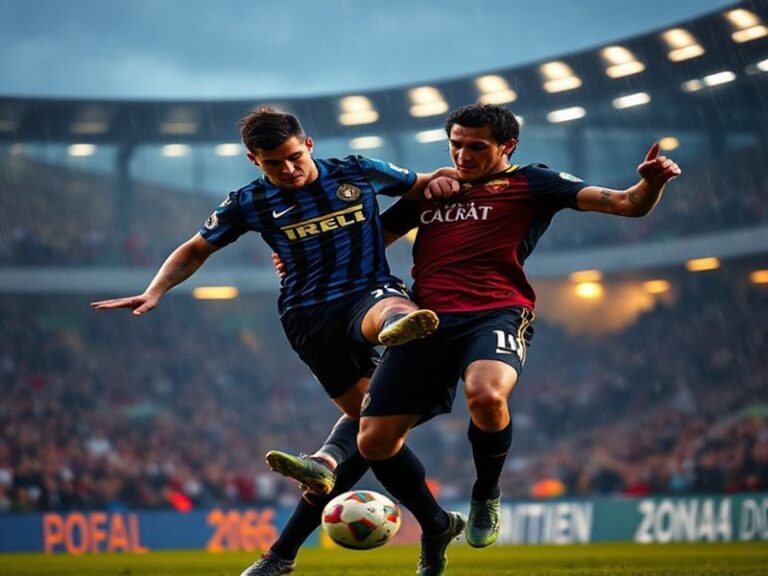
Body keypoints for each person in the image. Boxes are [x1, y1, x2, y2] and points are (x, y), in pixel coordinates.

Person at [263, 103, 681, 575]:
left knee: (485, 393)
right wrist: (302, 259)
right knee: (375, 440)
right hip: (424, 321)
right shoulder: (434, 191)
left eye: (476, 146)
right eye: (456, 145)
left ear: (508, 147)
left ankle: (486, 493)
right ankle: (428, 526)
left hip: (496, 312)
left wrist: (651, 183)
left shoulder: (532, 182)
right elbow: (365, 243)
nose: (463, 155)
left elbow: (625, 203)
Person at [88, 107, 460, 566]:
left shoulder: (357, 171)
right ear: (253, 160)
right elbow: (195, 248)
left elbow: (425, 185)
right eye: (272, 164)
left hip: (367, 291)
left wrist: (442, 179)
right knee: (369, 432)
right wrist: (155, 289)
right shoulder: (248, 202)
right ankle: (428, 518)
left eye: (291, 157)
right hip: (306, 317)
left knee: (389, 308)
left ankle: (396, 329)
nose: (286, 170)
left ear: (308, 144)